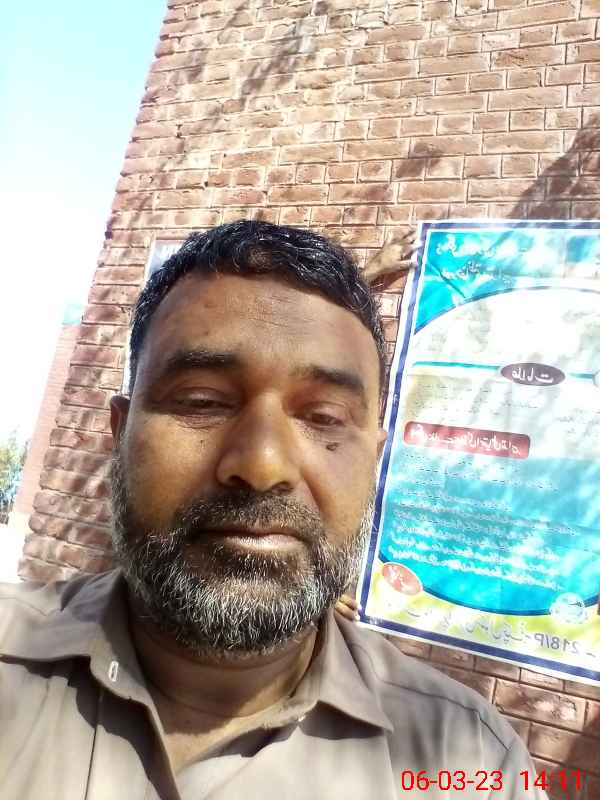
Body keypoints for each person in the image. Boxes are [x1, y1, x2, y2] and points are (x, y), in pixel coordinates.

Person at [0, 220, 547, 800]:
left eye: (324, 417)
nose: (262, 466)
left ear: (375, 459)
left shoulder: (473, 764)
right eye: (202, 402)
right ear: (120, 432)